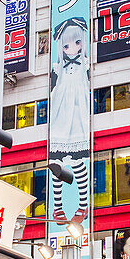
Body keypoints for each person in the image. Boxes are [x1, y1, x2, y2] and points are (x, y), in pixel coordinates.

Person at [48, 17, 91, 226]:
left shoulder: (86, 64)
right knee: (56, 163)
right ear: (60, 46)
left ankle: (83, 204)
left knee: (76, 162)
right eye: (66, 45)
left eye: (77, 42)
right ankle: (57, 207)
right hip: (59, 119)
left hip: (77, 119)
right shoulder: (58, 68)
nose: (72, 48)